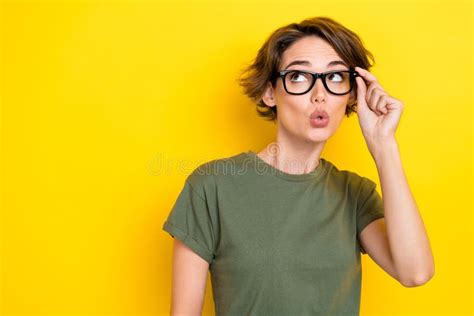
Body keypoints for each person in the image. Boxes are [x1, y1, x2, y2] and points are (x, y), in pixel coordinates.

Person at [162, 16, 435, 316]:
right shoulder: (211, 187)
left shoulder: (354, 194)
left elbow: (415, 273)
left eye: (334, 78)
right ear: (270, 93)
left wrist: (383, 145)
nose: (320, 95)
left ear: (352, 94)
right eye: (299, 77)